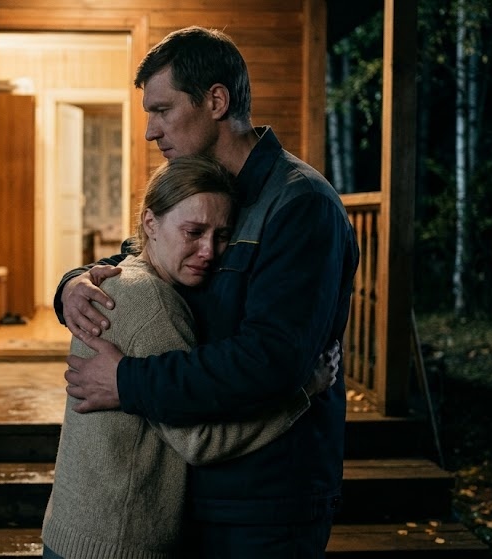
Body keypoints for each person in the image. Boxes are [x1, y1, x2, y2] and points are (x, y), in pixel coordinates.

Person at [56, 27, 360, 558]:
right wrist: (71, 286)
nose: (150, 131)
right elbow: (139, 259)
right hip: (193, 492)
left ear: (216, 101)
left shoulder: (301, 205)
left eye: (162, 110)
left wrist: (127, 381)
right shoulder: (207, 187)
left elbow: (269, 360)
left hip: (265, 498)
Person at [41, 155, 339, 559]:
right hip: (118, 544)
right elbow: (202, 441)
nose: (209, 251)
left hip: (72, 531)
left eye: (222, 236)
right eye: (194, 232)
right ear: (150, 224)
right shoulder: (152, 304)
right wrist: (304, 390)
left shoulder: (115, 281)